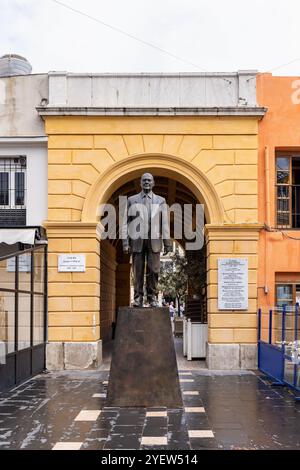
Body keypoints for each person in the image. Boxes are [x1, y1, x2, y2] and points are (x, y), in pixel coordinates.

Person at [122, 173, 172, 307]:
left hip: (154, 241)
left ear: (154, 183)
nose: (147, 183)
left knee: (154, 270)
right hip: (137, 241)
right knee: (137, 271)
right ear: (140, 183)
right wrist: (125, 242)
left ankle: (152, 298)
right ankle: (138, 298)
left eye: (149, 180)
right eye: (144, 180)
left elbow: (164, 223)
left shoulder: (160, 200)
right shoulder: (132, 200)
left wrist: (167, 243)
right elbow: (125, 222)